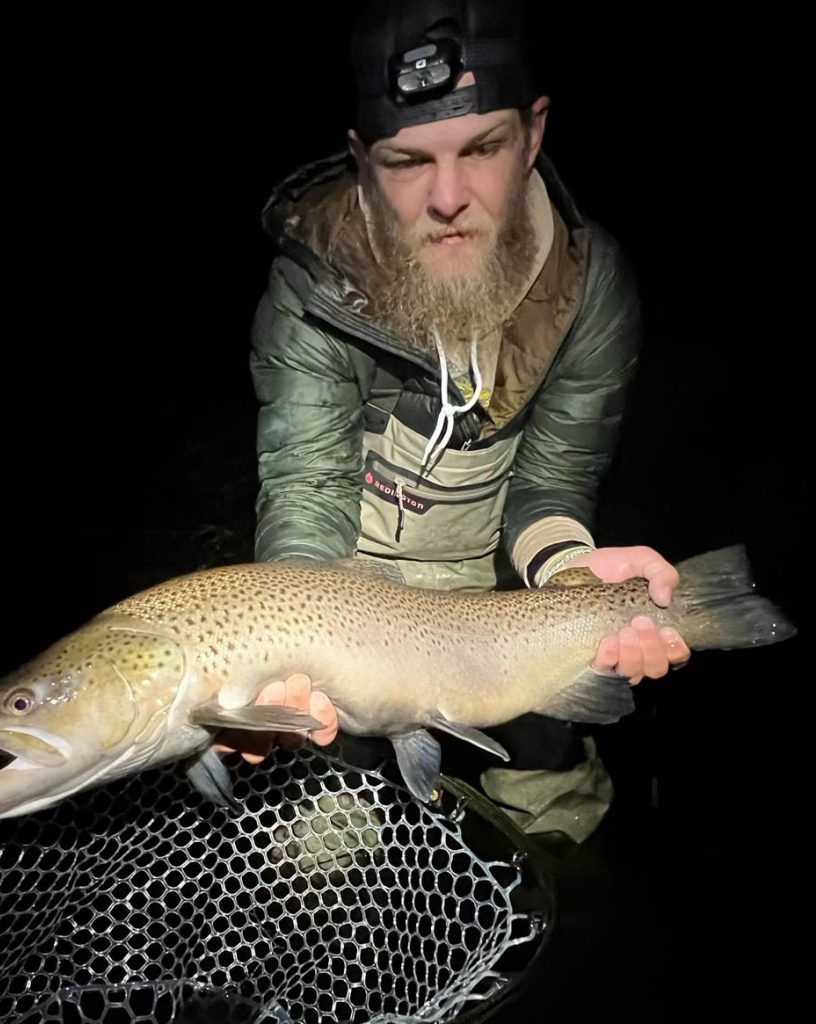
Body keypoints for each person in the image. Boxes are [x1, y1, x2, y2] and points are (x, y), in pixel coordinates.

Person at [217, 0, 689, 841]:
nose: (447, 198)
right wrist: (291, 657)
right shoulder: (308, 286)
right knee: (321, 831)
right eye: (406, 162)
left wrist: (575, 574)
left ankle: (565, 919)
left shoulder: (592, 288)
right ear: (363, 161)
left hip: (503, 594)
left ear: (534, 134)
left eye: (483, 149)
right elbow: (306, 492)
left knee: (554, 797)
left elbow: (551, 483)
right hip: (343, 601)